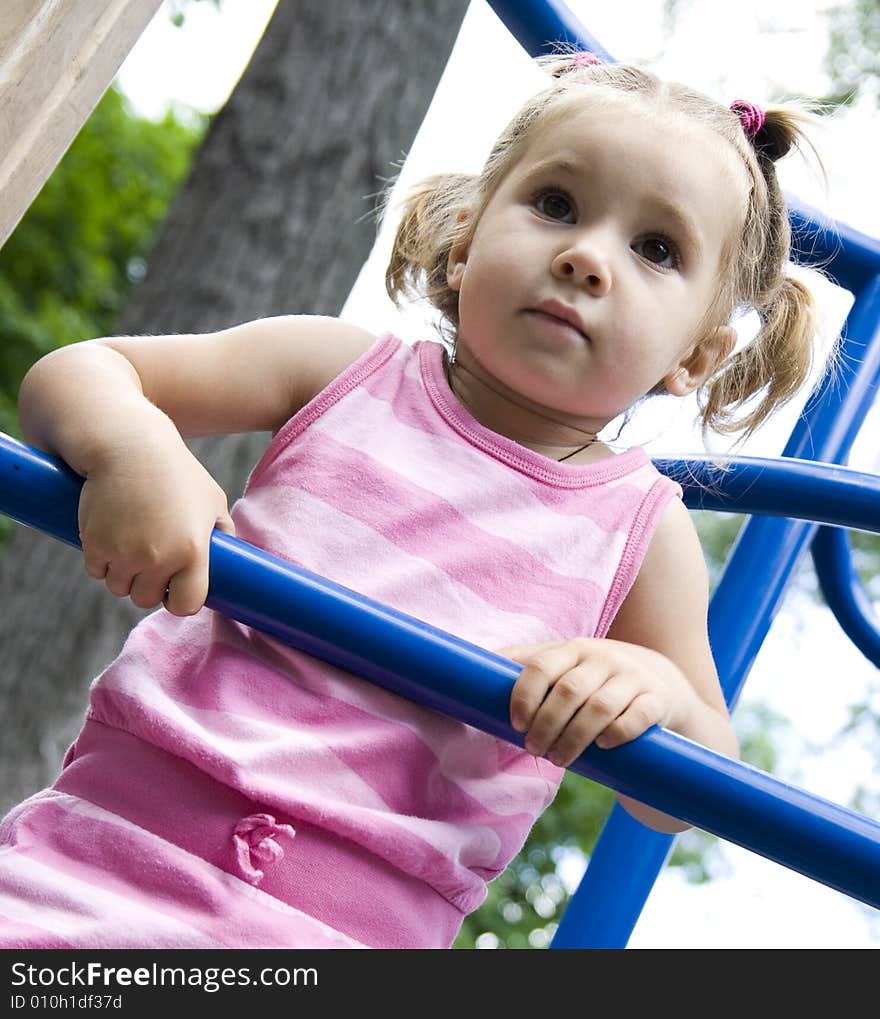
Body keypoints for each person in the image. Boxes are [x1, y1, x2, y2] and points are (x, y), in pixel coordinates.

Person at [0, 53, 828, 949]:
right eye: (556, 204)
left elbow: (695, 781)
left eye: (655, 250)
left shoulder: (641, 527)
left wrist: (655, 689)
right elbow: (81, 373)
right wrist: (134, 448)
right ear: (467, 236)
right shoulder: (337, 369)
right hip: (91, 868)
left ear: (696, 357)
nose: (587, 257)